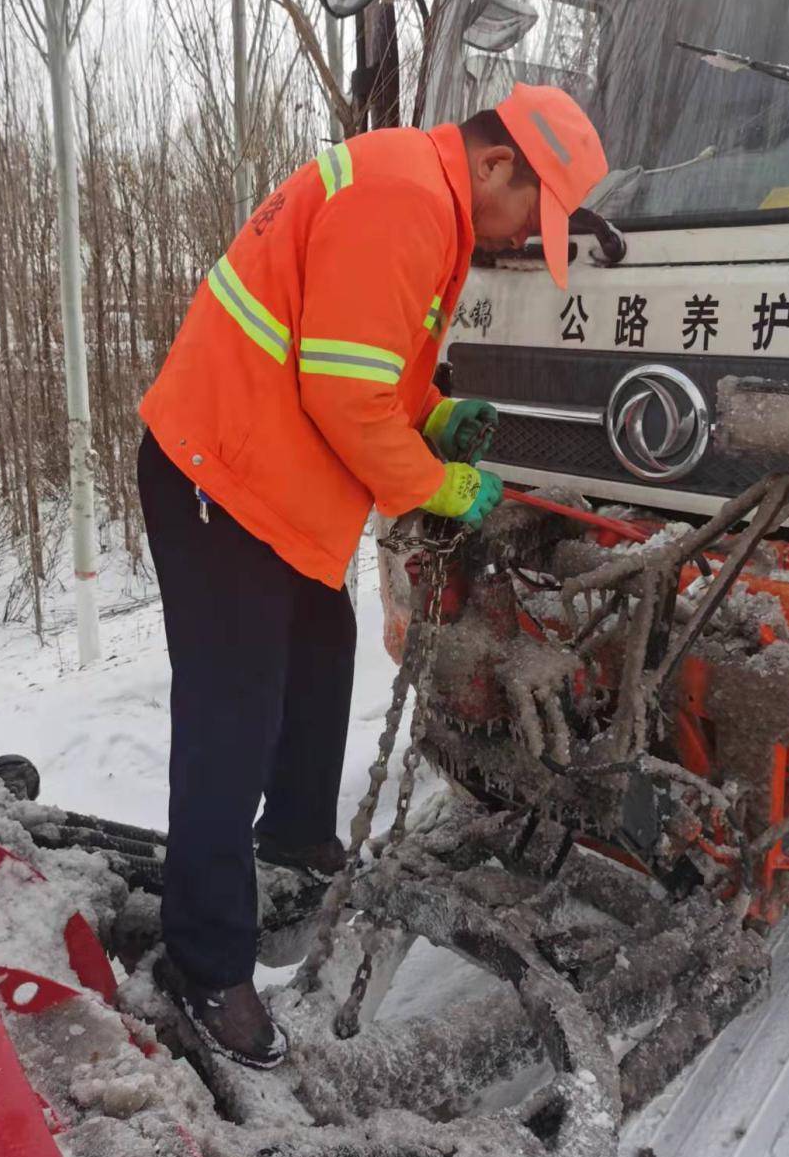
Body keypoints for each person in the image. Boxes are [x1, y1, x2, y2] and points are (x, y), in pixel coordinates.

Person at [137, 83, 608, 1068]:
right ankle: (203, 965)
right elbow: (345, 396)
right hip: (219, 472)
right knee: (233, 712)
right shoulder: (406, 200)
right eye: (534, 212)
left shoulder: (417, 192)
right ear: (495, 165)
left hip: (272, 477)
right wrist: (443, 487)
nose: (527, 237)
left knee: (321, 647)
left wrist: (434, 414)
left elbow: (372, 360)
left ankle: (298, 835)